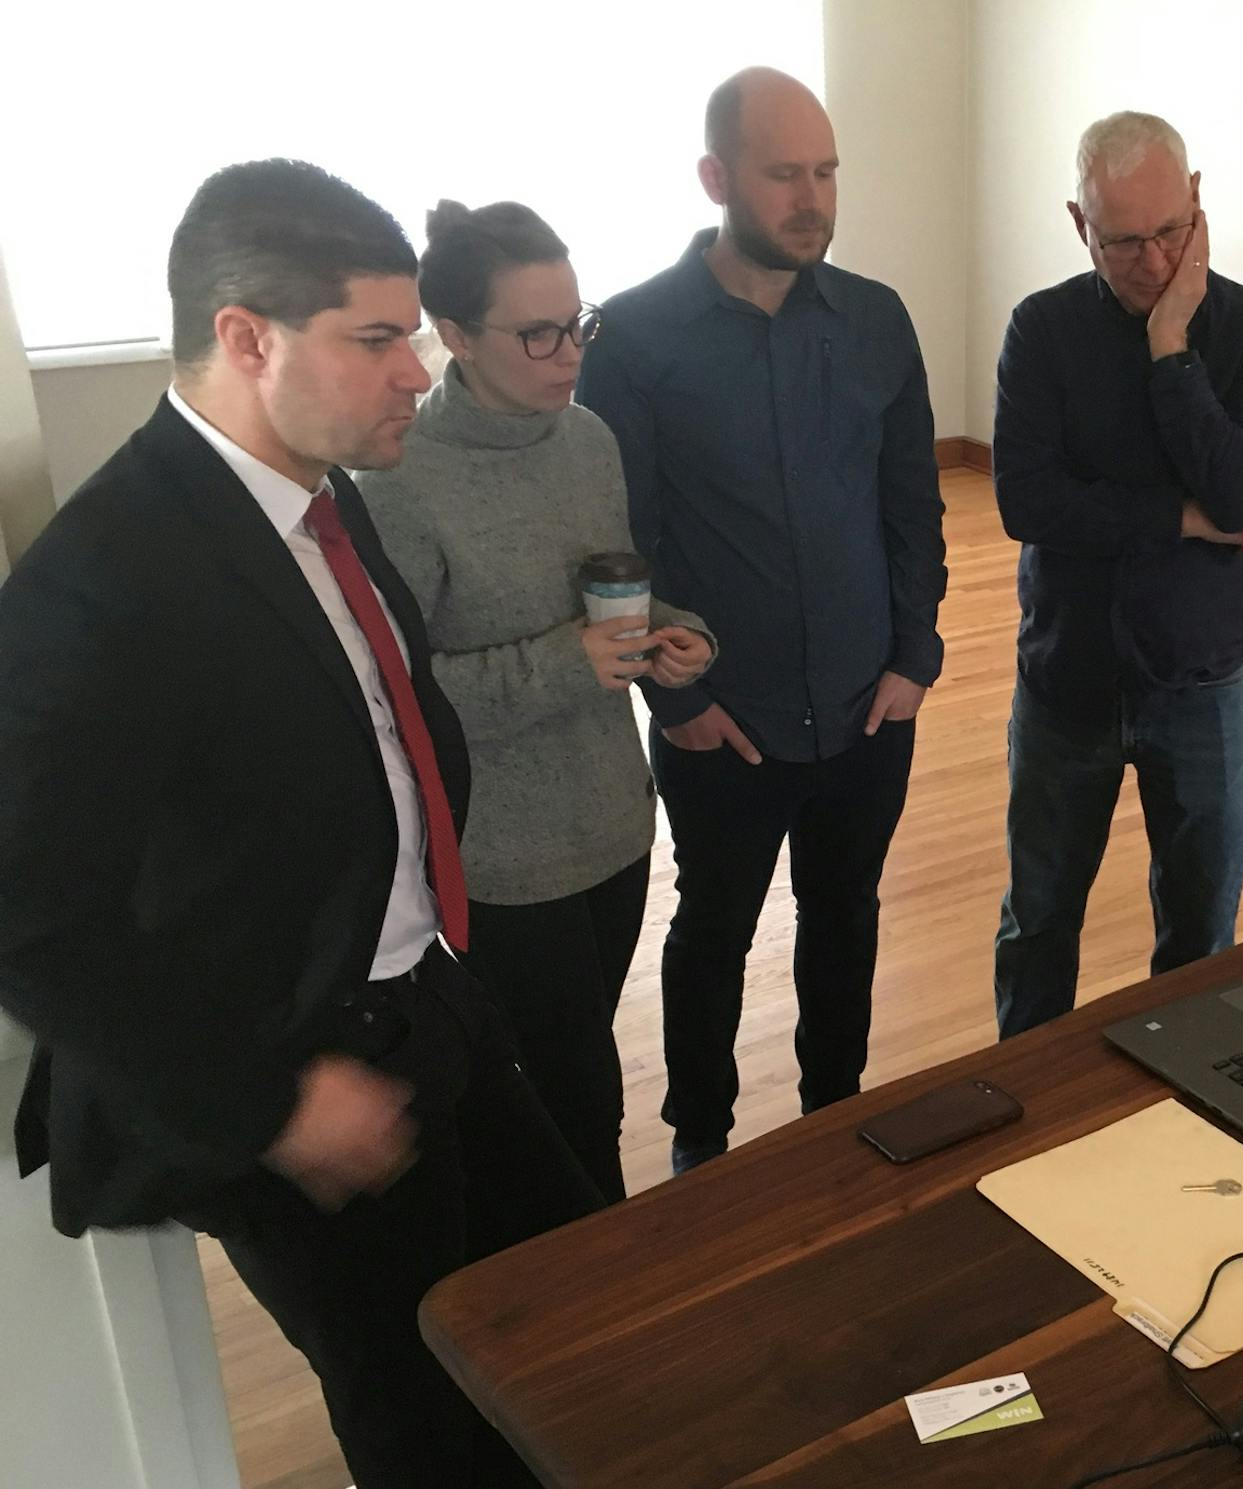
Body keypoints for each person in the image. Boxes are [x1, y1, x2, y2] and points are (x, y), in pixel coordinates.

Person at [0, 160, 599, 1488]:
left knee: (573, 1280)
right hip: (295, 1072)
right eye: (378, 338)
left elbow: (378, 742)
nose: (418, 369)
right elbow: (27, 916)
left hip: (428, 995)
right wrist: (271, 1101)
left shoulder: (328, 504)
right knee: (419, 1405)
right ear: (246, 338)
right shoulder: (100, 586)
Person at [577, 67, 947, 1173]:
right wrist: (676, 698)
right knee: (714, 931)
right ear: (715, 178)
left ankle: (836, 1115)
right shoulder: (636, 339)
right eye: (785, 173)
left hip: (868, 705)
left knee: (845, 917)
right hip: (722, 723)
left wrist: (915, 653)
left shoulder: (876, 320)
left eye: (826, 171)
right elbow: (616, 544)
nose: (813, 197)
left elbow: (912, 502)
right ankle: (703, 1138)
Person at [358, 200, 716, 1203]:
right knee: (571, 1098)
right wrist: (568, 663)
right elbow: (396, 701)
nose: (569, 354)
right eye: (538, 333)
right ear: (457, 336)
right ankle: (586, 1302)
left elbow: (614, 598)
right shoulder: (399, 481)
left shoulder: (588, 438)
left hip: (615, 826)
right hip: (505, 865)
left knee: (578, 1065)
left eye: (578, 322)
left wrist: (678, 637)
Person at [990, 111, 1243, 1039]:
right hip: (1066, 682)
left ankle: (1182, 1109)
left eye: (1172, 230)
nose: (1155, 259)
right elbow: (1027, 503)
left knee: (1201, 938)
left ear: (1199, 200)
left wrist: (1173, 348)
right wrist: (1183, 518)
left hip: (1203, 682)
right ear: (1078, 225)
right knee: (1039, 920)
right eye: (1124, 240)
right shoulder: (1041, 331)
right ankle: (1027, 1099)